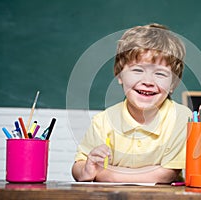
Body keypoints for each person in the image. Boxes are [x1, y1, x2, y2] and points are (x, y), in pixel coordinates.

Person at [72, 23, 192, 183]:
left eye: (160, 73)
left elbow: (166, 175)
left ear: (173, 84)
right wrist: (87, 169)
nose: (148, 81)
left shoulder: (182, 118)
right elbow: (78, 168)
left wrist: (106, 175)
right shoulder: (103, 121)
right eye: (137, 70)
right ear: (119, 75)